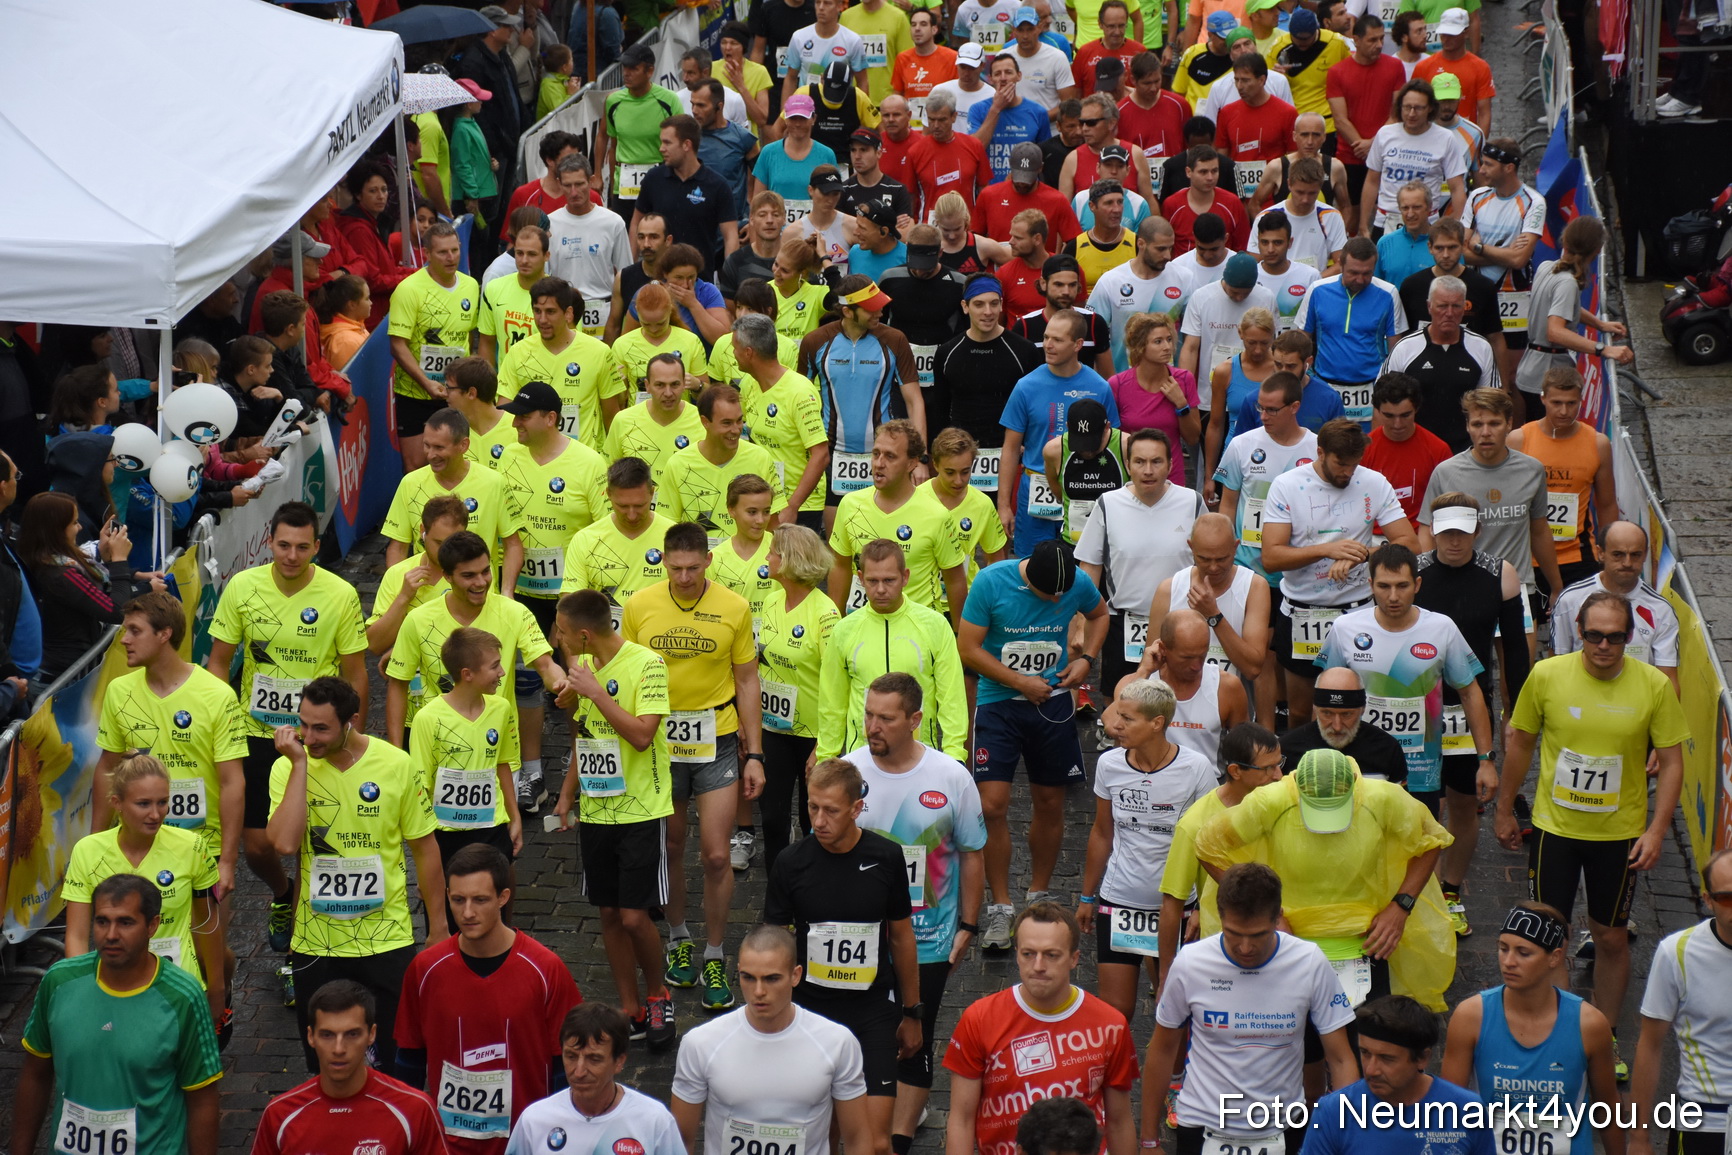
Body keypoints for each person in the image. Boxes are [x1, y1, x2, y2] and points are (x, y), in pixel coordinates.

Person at [1492, 590, 1689, 1071]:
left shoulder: (1653, 686)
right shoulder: (1548, 675)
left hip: (1618, 835)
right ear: (1579, 632)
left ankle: (1606, 1034)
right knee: (1546, 936)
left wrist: (1657, 830)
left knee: (1611, 937)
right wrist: (1502, 808)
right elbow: (1520, 745)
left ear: (1628, 638)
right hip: (1555, 829)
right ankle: (1562, 1035)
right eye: (1594, 635)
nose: (1603, 645)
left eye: (1615, 637)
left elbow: (1672, 762)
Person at [206, 502, 368, 956]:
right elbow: (219, 663)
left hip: (317, 737)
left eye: (302, 547)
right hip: (255, 732)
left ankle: (310, 933)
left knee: (310, 839)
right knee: (258, 846)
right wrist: (217, 725)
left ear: (317, 547)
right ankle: (284, 894)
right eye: (283, 545)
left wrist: (356, 736)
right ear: (269, 543)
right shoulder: (243, 587)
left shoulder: (339, 595)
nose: (292, 556)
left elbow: (356, 673)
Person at [264, 676, 444, 1073]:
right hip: (318, 943)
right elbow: (284, 843)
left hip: (387, 938)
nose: (308, 737)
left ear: (352, 721)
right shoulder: (289, 767)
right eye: (303, 724)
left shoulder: (396, 764)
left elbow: (426, 849)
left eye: (321, 728)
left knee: (399, 1065)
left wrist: (438, 928)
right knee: (328, 1068)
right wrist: (298, 765)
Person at [1197, 747, 1457, 1022]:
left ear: (1355, 788)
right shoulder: (1269, 802)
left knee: (1369, 1035)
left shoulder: (1383, 798)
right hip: (1290, 939)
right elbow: (1208, 848)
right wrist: (1265, 914)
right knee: (1298, 1041)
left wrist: (1401, 906)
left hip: (1368, 940)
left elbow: (1431, 840)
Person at [838, 674, 984, 1151]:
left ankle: (897, 1141)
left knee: (915, 1030)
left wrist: (967, 925)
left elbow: (971, 851)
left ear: (915, 720)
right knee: (856, 1035)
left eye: (885, 717)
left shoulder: (950, 776)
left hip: (927, 935)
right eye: (868, 715)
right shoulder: (848, 772)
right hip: (860, 936)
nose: (872, 726)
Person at [622, 521, 763, 1011]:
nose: (683, 577)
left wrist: (756, 753)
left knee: (718, 855)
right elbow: (625, 672)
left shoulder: (735, 607)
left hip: (718, 740)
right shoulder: (639, 606)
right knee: (672, 846)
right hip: (659, 742)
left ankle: (715, 952)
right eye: (675, 568)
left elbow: (747, 681)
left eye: (692, 567)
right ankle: (680, 937)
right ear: (663, 561)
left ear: (708, 561)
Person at [1146, 862, 1359, 1153]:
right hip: (1202, 1124)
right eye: (1233, 933)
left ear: (1278, 919)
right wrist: (1148, 1140)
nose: (1245, 948)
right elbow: (1161, 1049)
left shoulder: (1309, 961)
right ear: (1219, 917)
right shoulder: (1190, 963)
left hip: (1284, 1127)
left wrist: (1347, 1138)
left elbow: (1341, 1060)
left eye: (1258, 935)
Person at [764, 758, 920, 1141]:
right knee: (820, 1133)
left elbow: (901, 937)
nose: (818, 821)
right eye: (813, 807)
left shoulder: (886, 857)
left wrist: (912, 1013)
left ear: (855, 808)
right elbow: (773, 944)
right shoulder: (791, 862)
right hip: (811, 1011)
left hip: (871, 1012)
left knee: (876, 1141)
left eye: (831, 811)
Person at [94, 591, 247, 976]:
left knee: (209, 955)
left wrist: (227, 860)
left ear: (164, 635)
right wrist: (94, 841)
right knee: (139, 952)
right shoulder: (119, 692)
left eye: (134, 630)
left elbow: (232, 783)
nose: (124, 639)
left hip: (201, 850)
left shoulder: (217, 696)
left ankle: (218, 1003)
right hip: (134, 848)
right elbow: (106, 769)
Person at [961, 540, 1107, 943]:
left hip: (1052, 703)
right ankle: (1001, 905)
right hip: (999, 703)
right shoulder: (991, 582)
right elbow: (967, 647)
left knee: (1049, 802)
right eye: (1049, 596)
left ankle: (1038, 893)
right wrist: (1020, 682)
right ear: (1030, 577)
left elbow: (1099, 614)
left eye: (1063, 596)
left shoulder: (1075, 581)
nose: (1058, 601)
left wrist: (1086, 659)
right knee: (991, 804)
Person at [15, 873, 222, 1155]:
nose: (111, 935)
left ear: (152, 925)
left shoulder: (182, 998)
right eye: (102, 921)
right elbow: (35, 1074)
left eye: (125, 922)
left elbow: (202, 1099)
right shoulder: (59, 982)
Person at [550, 591, 677, 1045]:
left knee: (633, 916)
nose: (558, 640)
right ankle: (629, 1006)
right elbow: (585, 741)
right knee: (607, 910)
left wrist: (596, 694)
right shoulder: (583, 673)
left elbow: (643, 736)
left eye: (562, 633)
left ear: (584, 634)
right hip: (598, 810)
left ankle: (659, 994)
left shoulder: (647, 664)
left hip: (643, 808)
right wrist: (567, 796)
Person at [394, 844, 581, 1152]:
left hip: (526, 1143)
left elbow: (566, 1065)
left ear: (503, 897)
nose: (467, 913)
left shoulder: (546, 971)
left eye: (480, 900)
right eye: (458, 900)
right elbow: (409, 1058)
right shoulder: (425, 970)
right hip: (448, 1146)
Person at [385, 531, 566, 810]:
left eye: (486, 571)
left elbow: (545, 664)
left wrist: (563, 684)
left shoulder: (514, 613)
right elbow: (397, 685)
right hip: (439, 755)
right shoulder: (417, 621)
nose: (481, 582)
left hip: (497, 753)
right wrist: (397, 754)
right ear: (447, 576)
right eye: (469, 576)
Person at [943, 903, 1138, 1155]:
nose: (1038, 965)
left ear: (1074, 959)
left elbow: (1119, 1121)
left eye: (1051, 955)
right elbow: (961, 1120)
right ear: (1017, 955)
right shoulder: (978, 1019)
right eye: (1028, 953)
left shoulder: (1111, 1024)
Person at [1315, 542, 1493, 810]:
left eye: (1402, 585)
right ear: (1370, 584)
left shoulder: (1441, 628)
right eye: (1384, 587)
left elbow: (1470, 693)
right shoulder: (1345, 628)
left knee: (1421, 848)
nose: (1393, 596)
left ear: (1417, 584)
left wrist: (1486, 760)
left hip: (1421, 771)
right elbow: (1325, 699)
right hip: (1361, 767)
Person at [1078, 677, 1216, 1021]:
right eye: (1117, 715)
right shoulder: (1109, 764)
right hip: (1120, 901)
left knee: (1172, 1009)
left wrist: (1201, 905)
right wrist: (1086, 896)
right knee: (1115, 1012)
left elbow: (1211, 842)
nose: (1116, 725)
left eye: (1128, 718)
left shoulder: (1196, 768)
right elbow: (1101, 832)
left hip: (1178, 906)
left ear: (1157, 724)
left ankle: (1171, 1076)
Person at [1261, 418, 1417, 724]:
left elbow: (1409, 543)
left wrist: (1361, 555)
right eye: (1340, 464)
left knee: (1362, 709)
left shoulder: (1373, 482)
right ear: (1320, 453)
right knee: (1302, 712)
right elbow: (1271, 557)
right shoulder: (1288, 485)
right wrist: (1325, 549)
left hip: (1358, 610)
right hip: (1303, 611)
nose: (1347, 472)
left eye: (1354, 465)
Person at [670, 924, 875, 1155]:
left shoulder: (838, 1043)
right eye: (748, 977)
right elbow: (679, 1142)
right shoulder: (700, 1044)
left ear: (795, 975)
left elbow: (857, 1139)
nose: (758, 991)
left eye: (771, 979)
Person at [1439, 902, 1625, 1155]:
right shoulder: (1471, 1017)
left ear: (1555, 957)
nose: (1508, 962)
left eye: (1523, 953)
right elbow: (1449, 1112)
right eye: (1503, 949)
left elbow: (1607, 1109)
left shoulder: (1589, 1025)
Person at [65, 754, 225, 1033]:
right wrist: (85, 992)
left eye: (162, 802)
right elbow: (77, 936)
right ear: (117, 804)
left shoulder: (193, 846)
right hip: (112, 991)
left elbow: (206, 924)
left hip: (180, 991)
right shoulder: (87, 852)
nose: (156, 814)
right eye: (143, 804)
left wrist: (216, 987)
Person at [1417, 388, 1562, 643]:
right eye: (1478, 424)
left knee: (1518, 677)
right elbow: (1427, 530)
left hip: (1518, 587)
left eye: (1494, 423)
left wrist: (1556, 586)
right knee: (1468, 679)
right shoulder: (1446, 472)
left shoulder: (1532, 470)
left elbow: (1539, 530)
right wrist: (1428, 584)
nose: (1485, 432)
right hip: (1461, 587)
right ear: (1468, 426)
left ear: (1509, 424)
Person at [1073, 427, 1205, 695]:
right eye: (1140, 462)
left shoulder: (1192, 502)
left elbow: (1209, 563)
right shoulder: (1107, 504)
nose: (1148, 470)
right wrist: (1080, 625)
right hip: (1123, 624)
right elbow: (1089, 569)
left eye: (1156, 462)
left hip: (1181, 626)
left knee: (1180, 700)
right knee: (1120, 700)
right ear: (1128, 465)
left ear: (1170, 464)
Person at [817, 538, 970, 762]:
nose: (880, 589)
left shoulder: (934, 625)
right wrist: (826, 758)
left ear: (905, 577)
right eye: (872, 581)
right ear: (860, 579)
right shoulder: (844, 630)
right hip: (861, 757)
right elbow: (832, 703)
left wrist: (955, 754)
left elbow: (952, 697)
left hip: (920, 756)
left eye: (889, 580)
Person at [253, 979, 443, 1155]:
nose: (339, 1049)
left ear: (371, 1034)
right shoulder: (279, 1115)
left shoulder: (415, 1110)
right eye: (327, 1035)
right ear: (310, 1036)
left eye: (352, 1034)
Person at [1299, 996, 1496, 1155]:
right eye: (1365, 1053)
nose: (1371, 1070)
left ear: (1422, 1058)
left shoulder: (1468, 1112)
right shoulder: (1332, 1112)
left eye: (1387, 1058)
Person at [1632, 848, 1732, 1155]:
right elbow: (1649, 1045)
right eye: (1728, 898)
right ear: (1708, 900)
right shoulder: (1676, 952)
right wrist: (1639, 1138)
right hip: (1703, 1122)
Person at [799, 276, 927, 515]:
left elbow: (914, 401)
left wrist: (920, 458)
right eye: (871, 308)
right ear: (848, 311)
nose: (880, 312)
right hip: (833, 455)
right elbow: (798, 398)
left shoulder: (895, 339)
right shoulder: (815, 341)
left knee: (884, 539)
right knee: (837, 542)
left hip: (886, 454)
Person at [1158, 725, 1284, 960]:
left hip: (1283, 941)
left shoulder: (1285, 803)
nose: (1278, 775)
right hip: (1223, 950)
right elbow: (1172, 903)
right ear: (1236, 771)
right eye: (1268, 768)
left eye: (1279, 764)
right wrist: (1166, 976)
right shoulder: (1195, 823)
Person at [998, 309, 1119, 555]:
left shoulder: (1099, 387)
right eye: (1046, 337)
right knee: (1031, 566)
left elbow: (1113, 445)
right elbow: (1010, 449)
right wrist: (1003, 506)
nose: (1048, 345)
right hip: (1035, 487)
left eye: (1057, 340)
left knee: (1082, 565)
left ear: (1077, 345)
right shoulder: (1026, 387)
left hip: (1086, 491)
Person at [406, 626, 522, 882]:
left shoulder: (501, 709)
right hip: (445, 834)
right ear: (467, 674)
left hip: (492, 828)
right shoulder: (427, 719)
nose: (501, 672)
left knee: (494, 906)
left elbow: (503, 763)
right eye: (494, 666)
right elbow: (420, 787)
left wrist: (514, 818)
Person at [755, 524, 840, 868]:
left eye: (772, 552)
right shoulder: (771, 600)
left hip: (813, 736)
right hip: (773, 729)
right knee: (772, 819)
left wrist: (824, 746)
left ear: (789, 559)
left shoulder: (826, 615)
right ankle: (778, 896)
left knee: (813, 822)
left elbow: (837, 683)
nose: (766, 557)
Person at [829, 421, 968, 622]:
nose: (879, 463)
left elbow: (955, 582)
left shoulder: (936, 515)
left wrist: (957, 636)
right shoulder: (850, 505)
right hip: (862, 627)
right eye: (876, 454)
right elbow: (840, 568)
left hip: (919, 630)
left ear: (912, 463)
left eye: (890, 456)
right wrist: (835, 626)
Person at [16, 489, 155, 684]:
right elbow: (116, 610)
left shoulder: (48, 560)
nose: (80, 527)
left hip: (67, 669)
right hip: (63, 678)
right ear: (57, 529)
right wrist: (119, 560)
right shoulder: (60, 574)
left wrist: (105, 556)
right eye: (74, 522)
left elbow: (95, 586)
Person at [381, 408, 525, 582]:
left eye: (439, 448)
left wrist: (507, 592)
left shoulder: (493, 482)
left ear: (463, 445)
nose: (431, 455)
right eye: (427, 445)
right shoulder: (410, 483)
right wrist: (398, 589)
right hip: (426, 600)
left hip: (479, 597)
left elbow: (513, 544)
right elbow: (397, 548)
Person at [1506, 368, 1616, 591]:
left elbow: (1606, 504)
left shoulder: (1598, 443)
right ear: (1543, 398)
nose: (1564, 411)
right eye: (1556, 402)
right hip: (1527, 557)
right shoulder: (1518, 440)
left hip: (1578, 556)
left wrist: (1608, 553)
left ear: (1581, 401)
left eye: (1571, 403)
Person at [1513, 216, 1632, 421]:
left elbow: (1563, 308)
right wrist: (1603, 349)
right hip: (1548, 375)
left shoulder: (1547, 267)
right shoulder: (1567, 283)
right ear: (1596, 251)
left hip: (1531, 370)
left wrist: (1599, 324)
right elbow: (1555, 331)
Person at [388, 221, 480, 470]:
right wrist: (426, 382)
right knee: (418, 467)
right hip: (415, 394)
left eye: (455, 250)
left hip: (456, 393)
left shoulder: (470, 286)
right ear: (427, 254)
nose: (451, 258)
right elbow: (397, 345)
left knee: (459, 462)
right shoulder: (408, 290)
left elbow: (469, 337)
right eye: (442, 252)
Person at [1142, 512, 1272, 684]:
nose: (1213, 567)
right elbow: (1152, 663)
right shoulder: (1168, 589)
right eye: (1203, 559)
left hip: (1230, 704)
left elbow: (1253, 668)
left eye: (1221, 559)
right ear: (1191, 547)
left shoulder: (1254, 587)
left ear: (1235, 547)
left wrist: (1214, 616)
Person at [933, 276, 1043, 474]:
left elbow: (1036, 407)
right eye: (979, 304)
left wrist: (1028, 443)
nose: (988, 312)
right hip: (960, 455)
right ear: (965, 307)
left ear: (1002, 304)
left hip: (1010, 453)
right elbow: (939, 410)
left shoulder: (1023, 350)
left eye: (994, 303)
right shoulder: (947, 352)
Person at [732, 314, 831, 526]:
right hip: (763, 502)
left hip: (800, 506)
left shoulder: (800, 392)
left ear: (749, 353)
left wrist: (793, 506)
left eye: (735, 348)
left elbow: (821, 454)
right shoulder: (749, 383)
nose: (733, 354)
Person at [1460, 139, 1543, 390]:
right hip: (1477, 292)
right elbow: (1461, 254)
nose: (1481, 170)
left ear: (1509, 168)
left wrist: (1479, 247)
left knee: (1508, 379)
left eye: (1488, 165)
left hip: (1514, 296)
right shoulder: (1476, 196)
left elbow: (1519, 260)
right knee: (1473, 373)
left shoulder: (1533, 202)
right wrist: (1503, 253)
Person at [1550, 521, 1678, 680]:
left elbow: (1668, 679)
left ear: (1645, 554)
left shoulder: (1661, 610)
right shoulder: (1569, 600)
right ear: (1601, 553)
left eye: (1635, 555)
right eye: (1618, 555)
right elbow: (1555, 667)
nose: (1627, 563)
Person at [658, 385, 785, 547]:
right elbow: (668, 528)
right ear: (705, 422)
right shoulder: (678, 464)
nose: (735, 430)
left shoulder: (761, 458)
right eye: (726, 423)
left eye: (739, 421)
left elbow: (773, 525)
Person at [559, 457, 677, 627]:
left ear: (652, 493)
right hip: (602, 649)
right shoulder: (585, 539)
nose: (631, 515)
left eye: (639, 506)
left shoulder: (673, 537)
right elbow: (571, 610)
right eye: (622, 506)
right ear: (608, 494)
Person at [1382, 275, 1498, 444]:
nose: (1449, 313)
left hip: (1465, 449)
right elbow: (1382, 402)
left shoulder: (1481, 348)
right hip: (1416, 447)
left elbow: (1491, 405)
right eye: (1442, 306)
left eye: (1456, 306)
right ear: (1429, 306)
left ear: (1464, 308)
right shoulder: (1405, 348)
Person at [1397, 220, 1506, 393]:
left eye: (1452, 247)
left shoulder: (1483, 287)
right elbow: (1402, 334)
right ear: (1430, 247)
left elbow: (1495, 337)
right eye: (1439, 248)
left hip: (1469, 375)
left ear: (1463, 246)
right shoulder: (1412, 286)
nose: (1446, 254)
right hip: (1420, 376)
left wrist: (1504, 386)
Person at [1131, 608, 1252, 760]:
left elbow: (1244, 753)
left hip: (1208, 782)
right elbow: (1113, 727)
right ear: (1163, 649)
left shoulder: (1227, 687)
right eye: (1187, 658)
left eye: (1202, 656)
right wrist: (1143, 671)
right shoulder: (1139, 683)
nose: (1196, 666)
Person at [1359, 79, 1468, 239]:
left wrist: (1458, 228)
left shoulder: (1445, 138)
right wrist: (1363, 225)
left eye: (1418, 108)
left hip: (1427, 223)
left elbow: (1457, 187)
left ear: (1430, 108)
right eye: (1407, 107)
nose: (1411, 113)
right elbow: (1372, 180)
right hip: (1386, 221)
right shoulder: (1385, 134)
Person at [1086, 217, 1192, 374]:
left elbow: (1192, 337)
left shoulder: (1184, 278)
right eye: (1161, 249)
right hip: (1122, 379)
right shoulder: (1111, 281)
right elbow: (1092, 332)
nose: (1168, 256)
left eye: (1170, 248)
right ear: (1141, 244)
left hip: (1168, 381)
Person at [1326, 13, 1406, 219]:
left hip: (1387, 153)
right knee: (1350, 215)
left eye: (1381, 38)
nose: (1379, 45)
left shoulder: (1395, 67)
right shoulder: (1337, 72)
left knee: (1390, 213)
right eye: (1372, 40)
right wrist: (1365, 145)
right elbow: (1340, 119)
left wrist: (1373, 144)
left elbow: (1397, 112)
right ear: (1356, 40)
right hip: (1351, 155)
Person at [1108, 311, 1203, 484]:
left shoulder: (1184, 379)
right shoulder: (1117, 385)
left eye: (1169, 339)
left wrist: (1181, 404)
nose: (1167, 347)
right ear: (1140, 346)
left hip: (1171, 479)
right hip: (1130, 480)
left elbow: (1193, 438)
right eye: (1158, 342)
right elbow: (1112, 439)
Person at [546, 156, 636, 339]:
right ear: (558, 183)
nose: (574, 192)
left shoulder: (613, 223)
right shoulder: (549, 224)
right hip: (562, 310)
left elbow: (626, 274)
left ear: (591, 180)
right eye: (567, 185)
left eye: (580, 184)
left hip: (604, 311)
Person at [635, 113, 744, 262]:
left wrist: (730, 277)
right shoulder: (653, 179)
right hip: (658, 279)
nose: (661, 148)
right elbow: (636, 223)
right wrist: (631, 266)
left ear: (686, 145)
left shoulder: (717, 185)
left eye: (667, 143)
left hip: (700, 280)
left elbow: (731, 236)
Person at [1280, 669, 1412, 784]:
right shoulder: (1286, 749)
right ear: (1315, 709)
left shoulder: (1387, 748)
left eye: (1346, 714)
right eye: (1327, 713)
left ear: (1363, 709)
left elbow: (1401, 809)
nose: (1337, 726)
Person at [598, 43, 684, 217]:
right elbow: (607, 139)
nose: (626, 73)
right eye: (624, 67)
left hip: (662, 178)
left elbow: (681, 143)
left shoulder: (669, 100)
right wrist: (597, 174)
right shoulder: (613, 101)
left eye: (633, 69)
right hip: (623, 183)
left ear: (649, 71)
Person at [1361, 372, 1453, 524]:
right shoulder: (1363, 450)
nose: (1397, 424)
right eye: (1389, 416)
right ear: (1377, 410)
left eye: (1405, 415)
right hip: (1374, 536)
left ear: (1416, 409)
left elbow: (1448, 503)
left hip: (1422, 534)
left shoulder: (1438, 450)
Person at [1202, 309, 1279, 475]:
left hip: (1276, 455)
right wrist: (1209, 475)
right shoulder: (1225, 371)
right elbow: (1215, 425)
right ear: (1240, 334)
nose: (1258, 350)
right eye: (1252, 343)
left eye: (1265, 343)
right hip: (1236, 456)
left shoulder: (1282, 368)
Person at [611, 283, 711, 405]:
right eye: (646, 324)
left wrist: (697, 385)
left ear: (670, 310)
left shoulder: (690, 341)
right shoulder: (622, 344)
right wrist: (617, 386)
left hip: (679, 420)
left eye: (660, 323)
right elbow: (618, 403)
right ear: (636, 310)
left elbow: (707, 397)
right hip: (639, 422)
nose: (653, 330)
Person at [968, 52, 1054, 184]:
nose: (1003, 78)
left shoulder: (1037, 112)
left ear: (1018, 76)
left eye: (1008, 72)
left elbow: (1044, 158)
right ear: (990, 79)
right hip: (989, 190)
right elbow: (974, 150)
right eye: (997, 74)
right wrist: (995, 109)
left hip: (1025, 189)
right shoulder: (977, 110)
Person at [1253, 161, 1344, 280]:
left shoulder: (1332, 216)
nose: (1305, 199)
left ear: (1320, 187)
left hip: (1314, 287)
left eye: (1312, 193)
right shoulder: (1265, 216)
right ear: (1289, 184)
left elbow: (1341, 264)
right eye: (1300, 192)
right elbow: (1255, 263)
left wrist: (1310, 282)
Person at [1162, 146, 1250, 256]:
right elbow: (1165, 247)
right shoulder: (1172, 205)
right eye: (1203, 172)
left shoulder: (1232, 203)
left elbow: (1243, 248)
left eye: (1214, 171)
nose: (1210, 177)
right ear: (1188, 172)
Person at [892, 11, 958, 128]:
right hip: (912, 129)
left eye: (923, 24)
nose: (917, 29)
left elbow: (958, 95)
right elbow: (898, 95)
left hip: (941, 128)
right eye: (913, 25)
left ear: (934, 29)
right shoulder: (902, 58)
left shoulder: (952, 57)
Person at [722, 193, 789, 304]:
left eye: (776, 215)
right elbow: (730, 310)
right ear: (751, 219)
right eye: (762, 215)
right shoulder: (735, 261)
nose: (769, 220)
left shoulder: (798, 260)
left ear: (784, 218)